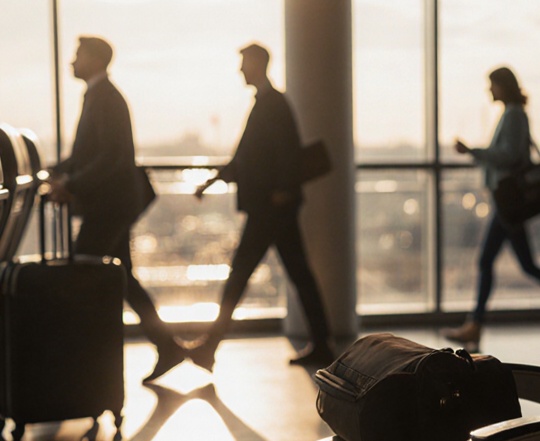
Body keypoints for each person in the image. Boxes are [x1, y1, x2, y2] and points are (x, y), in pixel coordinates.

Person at [48, 36, 186, 383]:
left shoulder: (105, 97)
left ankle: (80, 361)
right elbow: (89, 154)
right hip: (113, 205)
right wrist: (58, 171)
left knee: (81, 273)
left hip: (108, 207)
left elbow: (111, 157)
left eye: (78, 55)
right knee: (123, 277)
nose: (72, 61)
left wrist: (70, 183)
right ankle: (165, 346)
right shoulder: (101, 95)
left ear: (95, 60)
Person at [189, 43, 334, 370]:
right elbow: (256, 156)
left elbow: (271, 153)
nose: (240, 69)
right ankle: (322, 343)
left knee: (242, 274)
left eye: (244, 63)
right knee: (296, 274)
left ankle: (210, 346)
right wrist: (212, 182)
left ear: (257, 64)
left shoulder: (271, 104)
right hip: (273, 206)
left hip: (270, 207)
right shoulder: (271, 103)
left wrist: (281, 190)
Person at [441, 66, 540, 349]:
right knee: (525, 264)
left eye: (492, 85)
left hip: (508, 201)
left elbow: (509, 156)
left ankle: (475, 325)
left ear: (503, 86)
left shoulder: (513, 115)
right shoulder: (513, 114)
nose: (489, 90)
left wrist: (473, 151)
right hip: (507, 201)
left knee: (488, 261)